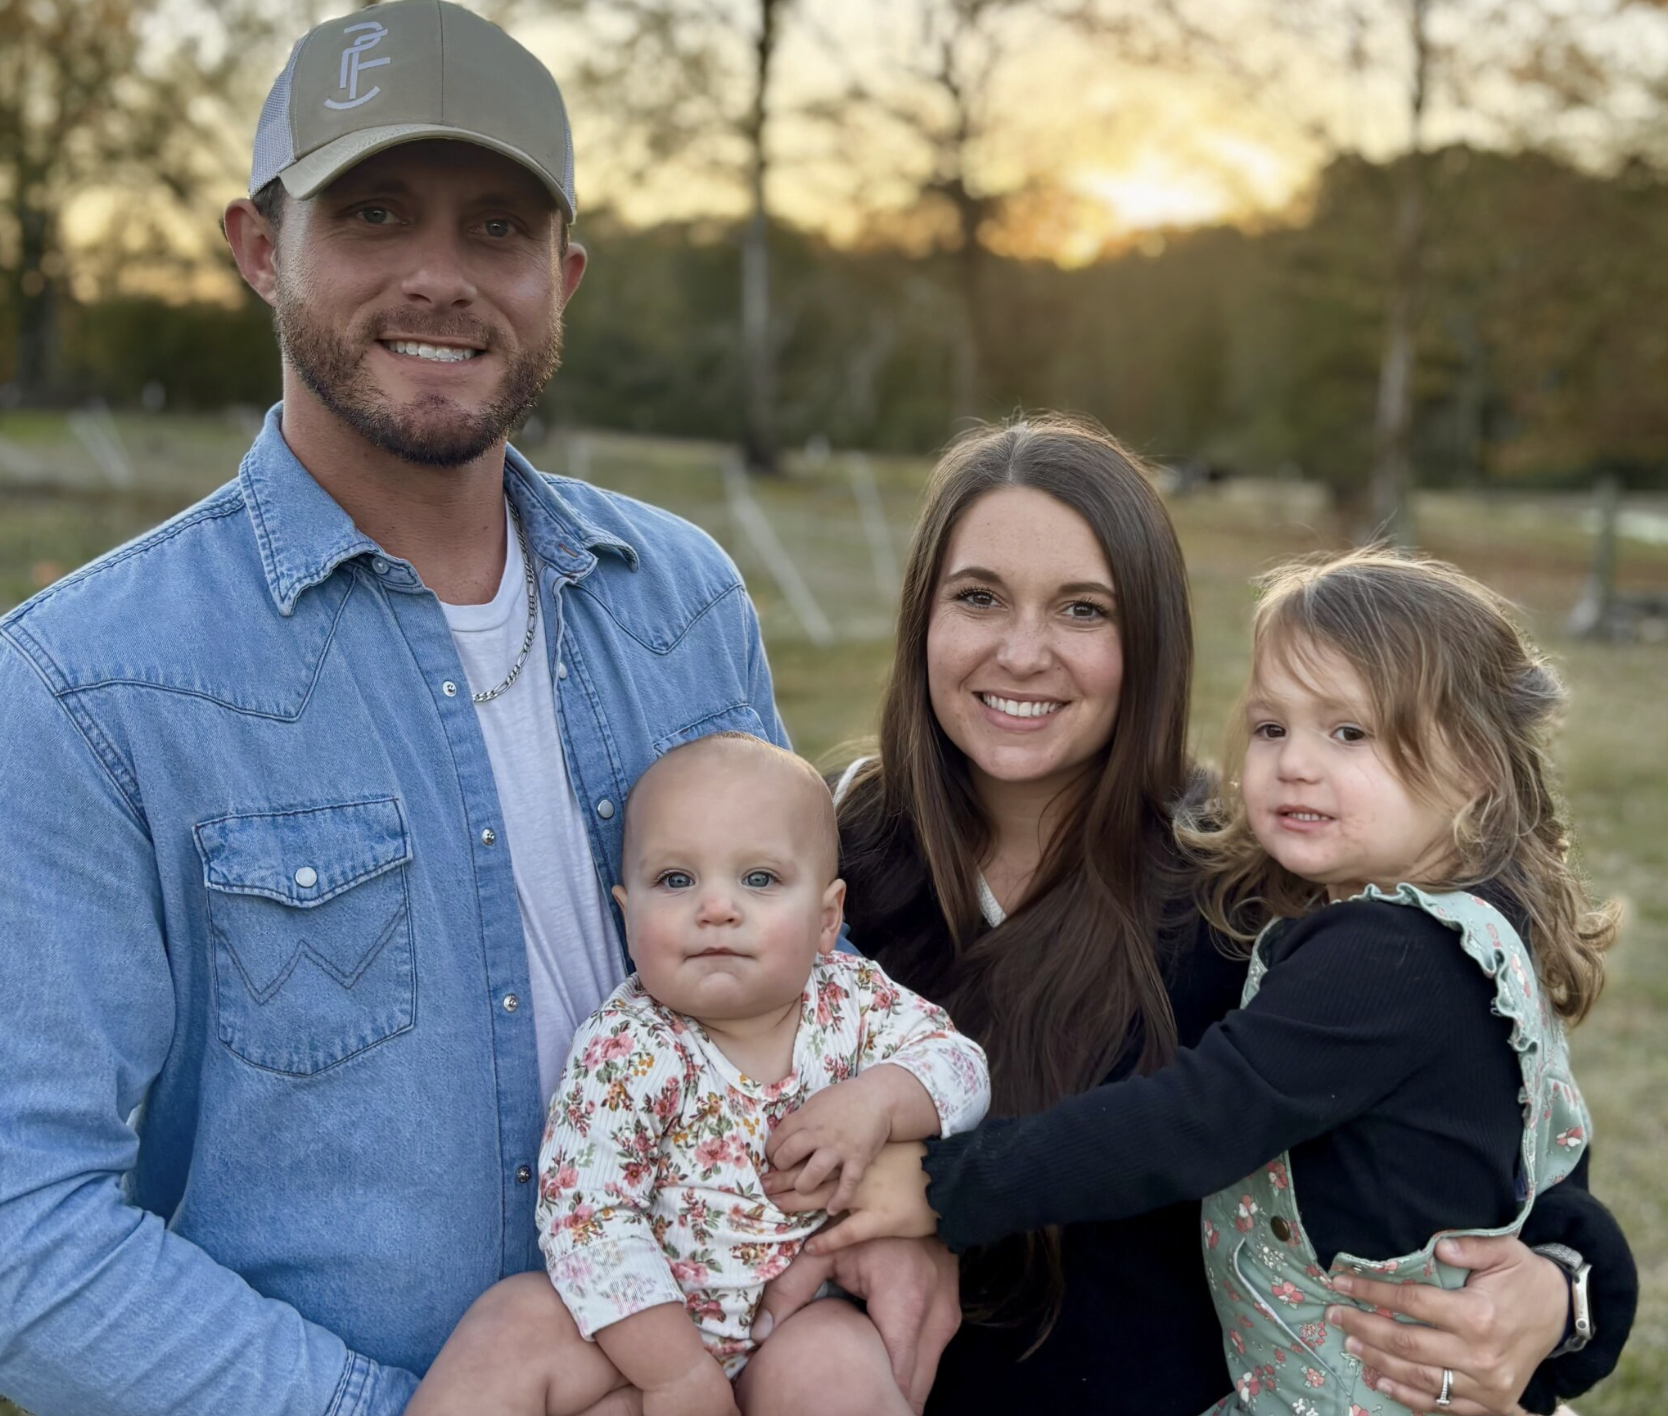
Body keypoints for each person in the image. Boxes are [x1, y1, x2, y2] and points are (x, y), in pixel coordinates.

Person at [0, 6, 955, 1414]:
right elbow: (26, 1234)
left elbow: (799, 966)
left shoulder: (682, 600)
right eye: (374, 213)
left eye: (497, 227)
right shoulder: (86, 687)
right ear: (260, 247)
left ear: (561, 278)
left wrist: (896, 1202)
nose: (441, 277)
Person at [747, 417, 1637, 1416]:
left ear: (1152, 641)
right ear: (923, 617)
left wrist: (1558, 1293)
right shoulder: (819, 866)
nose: (1023, 651)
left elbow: (1513, 1174)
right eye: (979, 597)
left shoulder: (1252, 883)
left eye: (1083, 609)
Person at [404, 733, 990, 1416]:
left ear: (827, 918)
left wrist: (881, 1100)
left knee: (840, 1367)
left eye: (759, 879)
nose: (716, 908)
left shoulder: (852, 1001)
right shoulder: (630, 1045)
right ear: (629, 915)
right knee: (512, 1326)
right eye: (676, 881)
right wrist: (674, 1373)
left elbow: (961, 1066)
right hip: (637, 1330)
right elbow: (586, 1214)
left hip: (793, 1316)